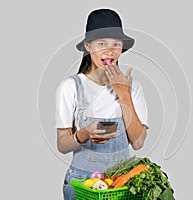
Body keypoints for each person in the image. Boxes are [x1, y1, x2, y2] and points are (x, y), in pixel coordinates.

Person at [55, 8, 149, 200]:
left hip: (121, 184)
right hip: (82, 184)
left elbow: (138, 143)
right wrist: (83, 135)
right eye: (102, 43)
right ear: (88, 46)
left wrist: (124, 95)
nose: (110, 50)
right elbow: (62, 144)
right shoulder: (71, 87)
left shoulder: (134, 87)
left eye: (116, 44)